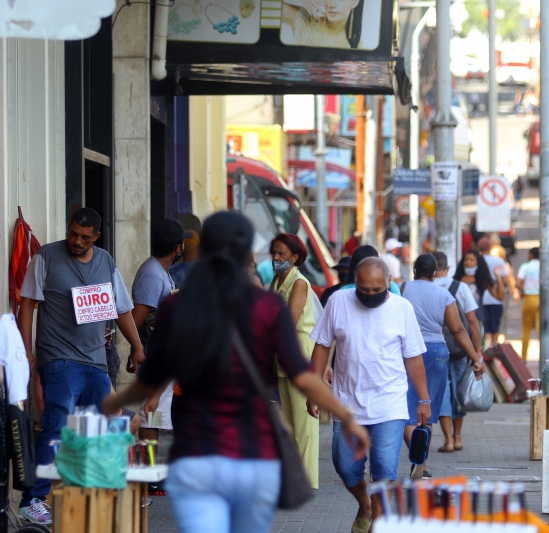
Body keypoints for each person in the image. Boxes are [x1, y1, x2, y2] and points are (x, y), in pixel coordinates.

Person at [103, 212, 368, 533]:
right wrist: (347, 416)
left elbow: (156, 371)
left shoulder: (178, 305)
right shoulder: (266, 307)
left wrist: (119, 403)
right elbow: (303, 373)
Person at [17, 208, 145, 525]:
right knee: (57, 424)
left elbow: (123, 308)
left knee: (113, 424)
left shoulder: (105, 262)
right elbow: (28, 302)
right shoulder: (46, 257)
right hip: (59, 359)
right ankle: (32, 500)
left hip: (95, 361)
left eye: (84, 237)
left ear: (96, 237)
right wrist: (26, 350)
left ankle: (94, 492)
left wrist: (138, 347)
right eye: (73, 234)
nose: (77, 241)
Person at [307, 257, 430, 533]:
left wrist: (423, 399)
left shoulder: (402, 309)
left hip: (390, 402)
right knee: (346, 468)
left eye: (377, 290)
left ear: (388, 283)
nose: (371, 295)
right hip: (346, 404)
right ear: (355, 284)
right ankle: (365, 504)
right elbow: (323, 346)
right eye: (365, 290)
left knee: (384, 469)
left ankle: (378, 519)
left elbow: (413, 358)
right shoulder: (339, 302)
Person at [400, 255, 484, 477]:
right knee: (427, 407)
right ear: (435, 273)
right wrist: (475, 357)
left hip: (407, 351)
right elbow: (458, 330)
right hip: (437, 352)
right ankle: (422, 464)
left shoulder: (401, 289)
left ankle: (421, 462)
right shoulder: (444, 295)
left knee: (407, 410)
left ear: (415, 270)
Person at [131, 218, 190, 494]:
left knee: (156, 415)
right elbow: (138, 317)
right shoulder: (153, 275)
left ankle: (151, 473)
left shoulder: (160, 271)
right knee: (149, 416)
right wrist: (138, 349)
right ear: (177, 247)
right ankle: (148, 475)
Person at [269, 233, 320, 489]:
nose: (276, 258)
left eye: (282, 254)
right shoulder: (278, 281)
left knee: (304, 421)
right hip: (282, 357)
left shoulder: (299, 283)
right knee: (289, 421)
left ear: (295, 257)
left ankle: (307, 478)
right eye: (274, 253)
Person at [431, 252, 481, 453]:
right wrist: (476, 350)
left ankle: (448, 439)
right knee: (460, 391)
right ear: (448, 268)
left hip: (436, 349)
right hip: (460, 349)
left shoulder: (428, 288)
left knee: (442, 392)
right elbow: (471, 322)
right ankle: (458, 437)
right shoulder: (460, 287)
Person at [453, 250, 506, 340]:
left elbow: (500, 297)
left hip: (477, 319)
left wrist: (498, 278)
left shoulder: (482, 280)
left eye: (472, 260)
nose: (468, 262)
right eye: (466, 260)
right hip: (458, 320)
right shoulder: (456, 280)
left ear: (478, 263)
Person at [281, 0, 365, 49]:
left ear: (355, 2)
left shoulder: (356, 47)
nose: (332, 4)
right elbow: (271, 6)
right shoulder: (305, 20)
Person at [477, 237, 511, 347]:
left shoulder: (476, 261)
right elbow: (506, 281)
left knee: (484, 328)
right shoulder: (498, 261)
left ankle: (485, 349)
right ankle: (493, 349)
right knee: (495, 328)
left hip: (480, 299)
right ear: (490, 247)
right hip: (496, 299)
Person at [516, 247, 541, 361]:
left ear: (530, 255)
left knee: (526, 330)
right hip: (542, 300)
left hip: (529, 298)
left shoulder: (525, 266)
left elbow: (517, 283)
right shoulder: (546, 266)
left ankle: (524, 357)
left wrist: (521, 291)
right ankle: (544, 356)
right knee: (541, 330)